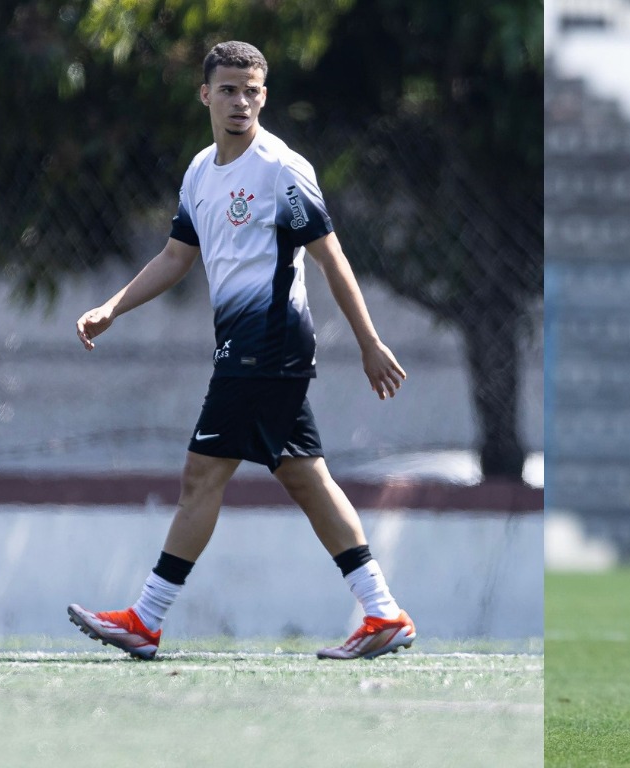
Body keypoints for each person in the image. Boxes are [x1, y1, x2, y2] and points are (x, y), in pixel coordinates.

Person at [67, 41, 415, 661]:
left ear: (264, 96)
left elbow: (331, 256)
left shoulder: (281, 169)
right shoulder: (201, 172)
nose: (241, 101)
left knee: (203, 473)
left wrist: (369, 342)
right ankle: (383, 613)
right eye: (228, 89)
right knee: (306, 477)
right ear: (205, 94)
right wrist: (112, 307)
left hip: (269, 342)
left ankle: (146, 619)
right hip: (246, 345)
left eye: (252, 90)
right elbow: (177, 256)